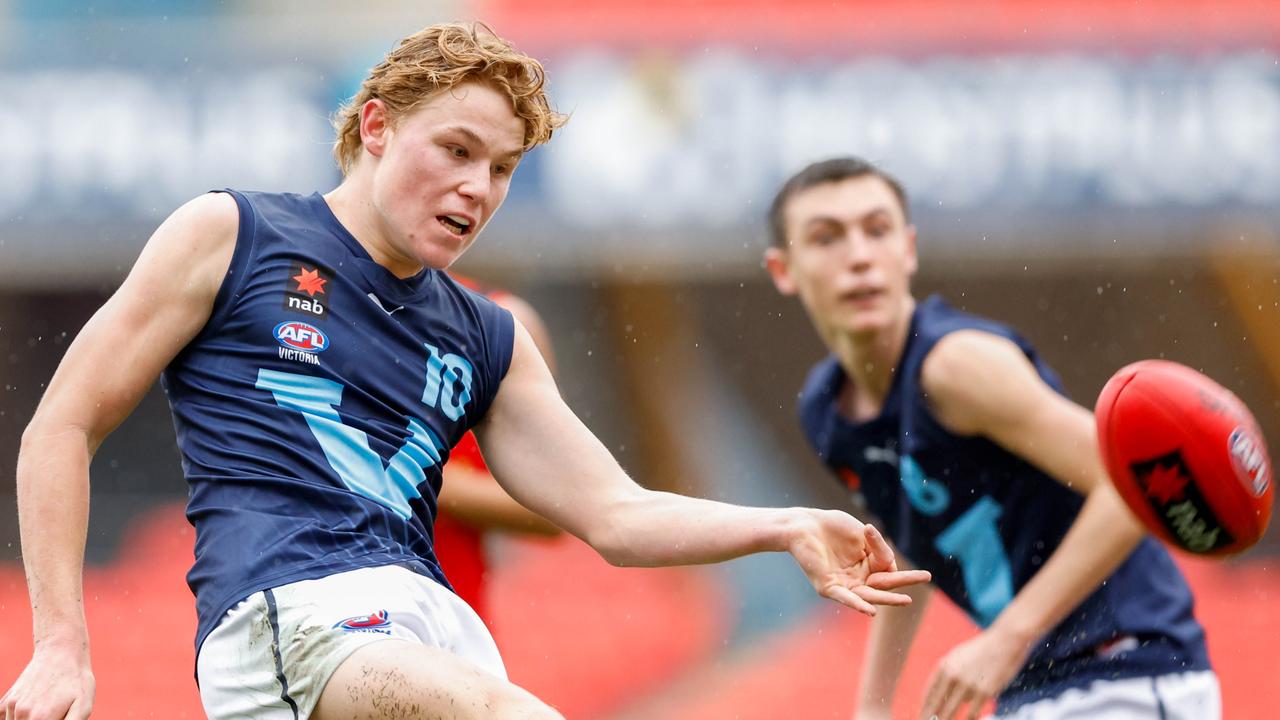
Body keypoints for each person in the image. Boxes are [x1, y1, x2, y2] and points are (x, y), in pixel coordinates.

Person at [2, 25, 930, 720]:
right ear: (375, 125)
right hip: (297, 618)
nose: (477, 189)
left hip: (437, 629)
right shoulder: (233, 235)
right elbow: (63, 426)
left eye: (502, 169)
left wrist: (788, 523)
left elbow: (614, 513)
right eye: (456, 150)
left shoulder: (490, 335)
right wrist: (59, 646)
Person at [763, 157, 1218, 720]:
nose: (859, 256)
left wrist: (1007, 639)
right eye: (826, 237)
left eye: (876, 230)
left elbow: (1130, 487)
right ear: (783, 269)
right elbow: (908, 541)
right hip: (1036, 688)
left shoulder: (958, 367)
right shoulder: (827, 412)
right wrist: (874, 708)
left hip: (1125, 670)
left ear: (908, 249)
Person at [434, 278, 562, 624]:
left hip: (449, 620)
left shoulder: (498, 323)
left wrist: (414, 472)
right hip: (322, 619)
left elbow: (553, 509)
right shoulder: (313, 297)